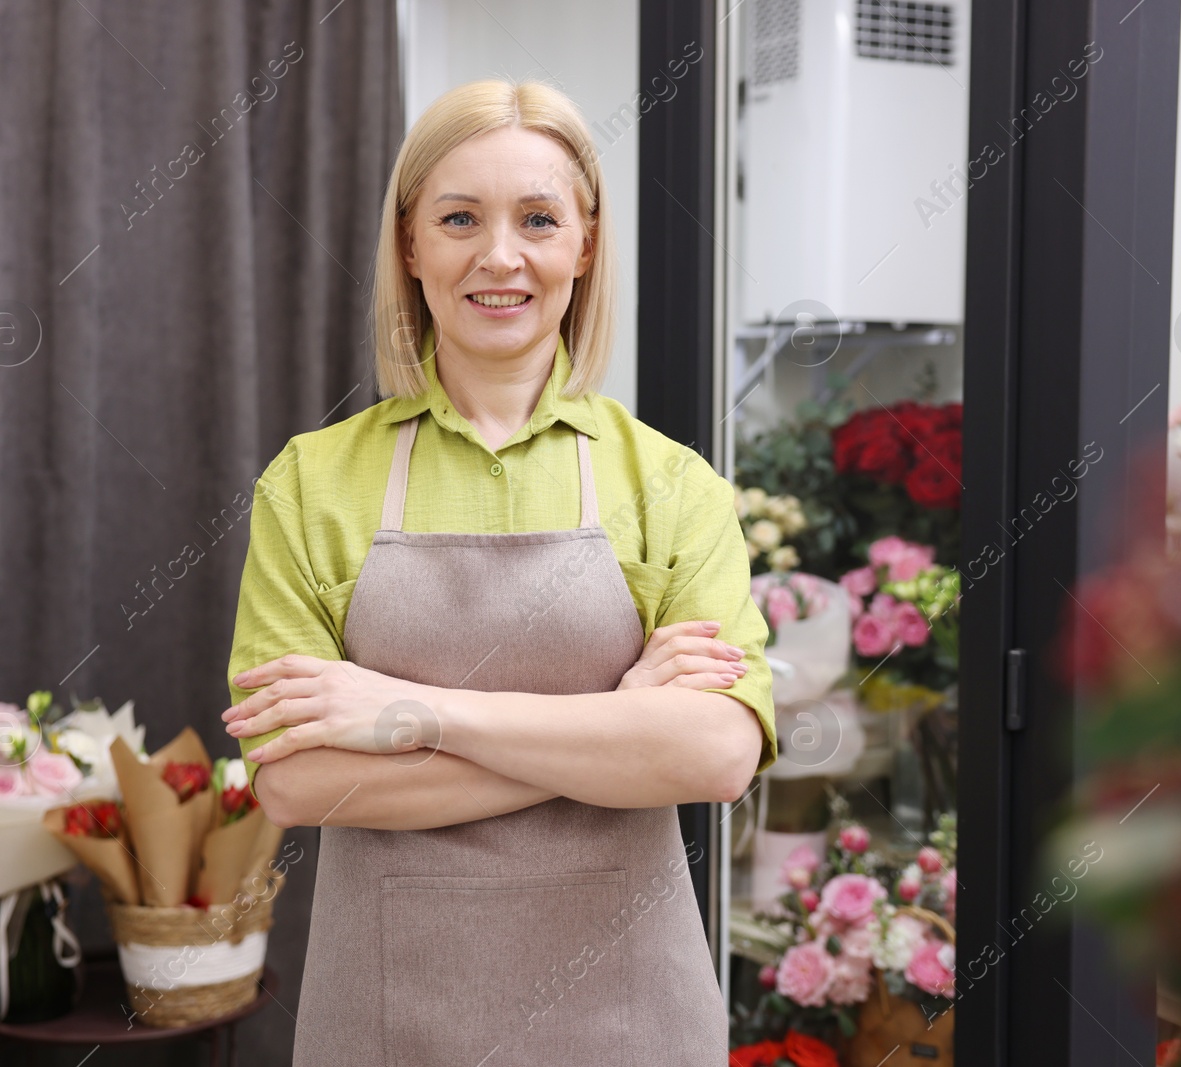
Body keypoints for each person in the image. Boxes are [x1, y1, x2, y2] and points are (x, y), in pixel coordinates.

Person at [220, 77, 777, 1066]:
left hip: (630, 1016)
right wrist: (616, 728)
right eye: (460, 217)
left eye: (536, 218)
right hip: (387, 1015)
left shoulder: (669, 483)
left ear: (585, 244)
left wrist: (410, 710)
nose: (500, 255)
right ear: (409, 244)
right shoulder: (310, 483)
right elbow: (297, 781)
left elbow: (714, 757)